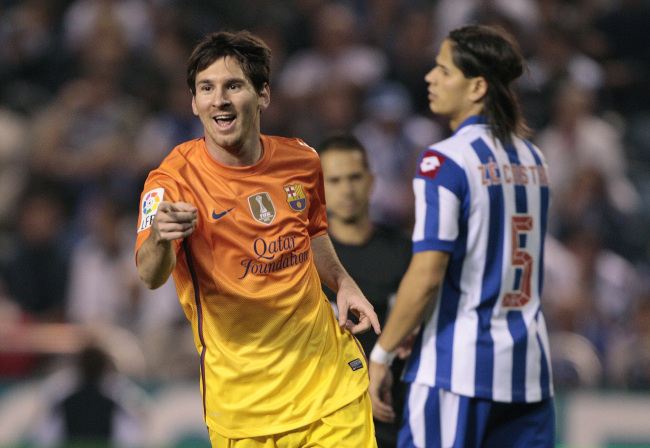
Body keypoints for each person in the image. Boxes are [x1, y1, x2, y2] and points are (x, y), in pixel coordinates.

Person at [134, 30, 381, 447]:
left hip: (331, 386)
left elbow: (313, 231)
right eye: (206, 88)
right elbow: (149, 274)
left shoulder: (302, 159)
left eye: (233, 85)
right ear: (194, 103)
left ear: (262, 94)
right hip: (244, 411)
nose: (220, 99)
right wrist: (160, 236)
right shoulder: (172, 181)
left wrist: (343, 282)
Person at [368, 24, 555, 448]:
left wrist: (381, 354)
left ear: (477, 87)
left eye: (443, 70)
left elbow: (429, 272)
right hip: (528, 374)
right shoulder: (534, 158)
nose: (430, 78)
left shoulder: (444, 161)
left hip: (456, 371)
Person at [318, 134, 412, 448]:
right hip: (327, 418)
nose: (346, 189)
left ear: (371, 181)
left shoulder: (404, 251)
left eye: (355, 177)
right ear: (319, 188)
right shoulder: (303, 259)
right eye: (334, 180)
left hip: (395, 412)